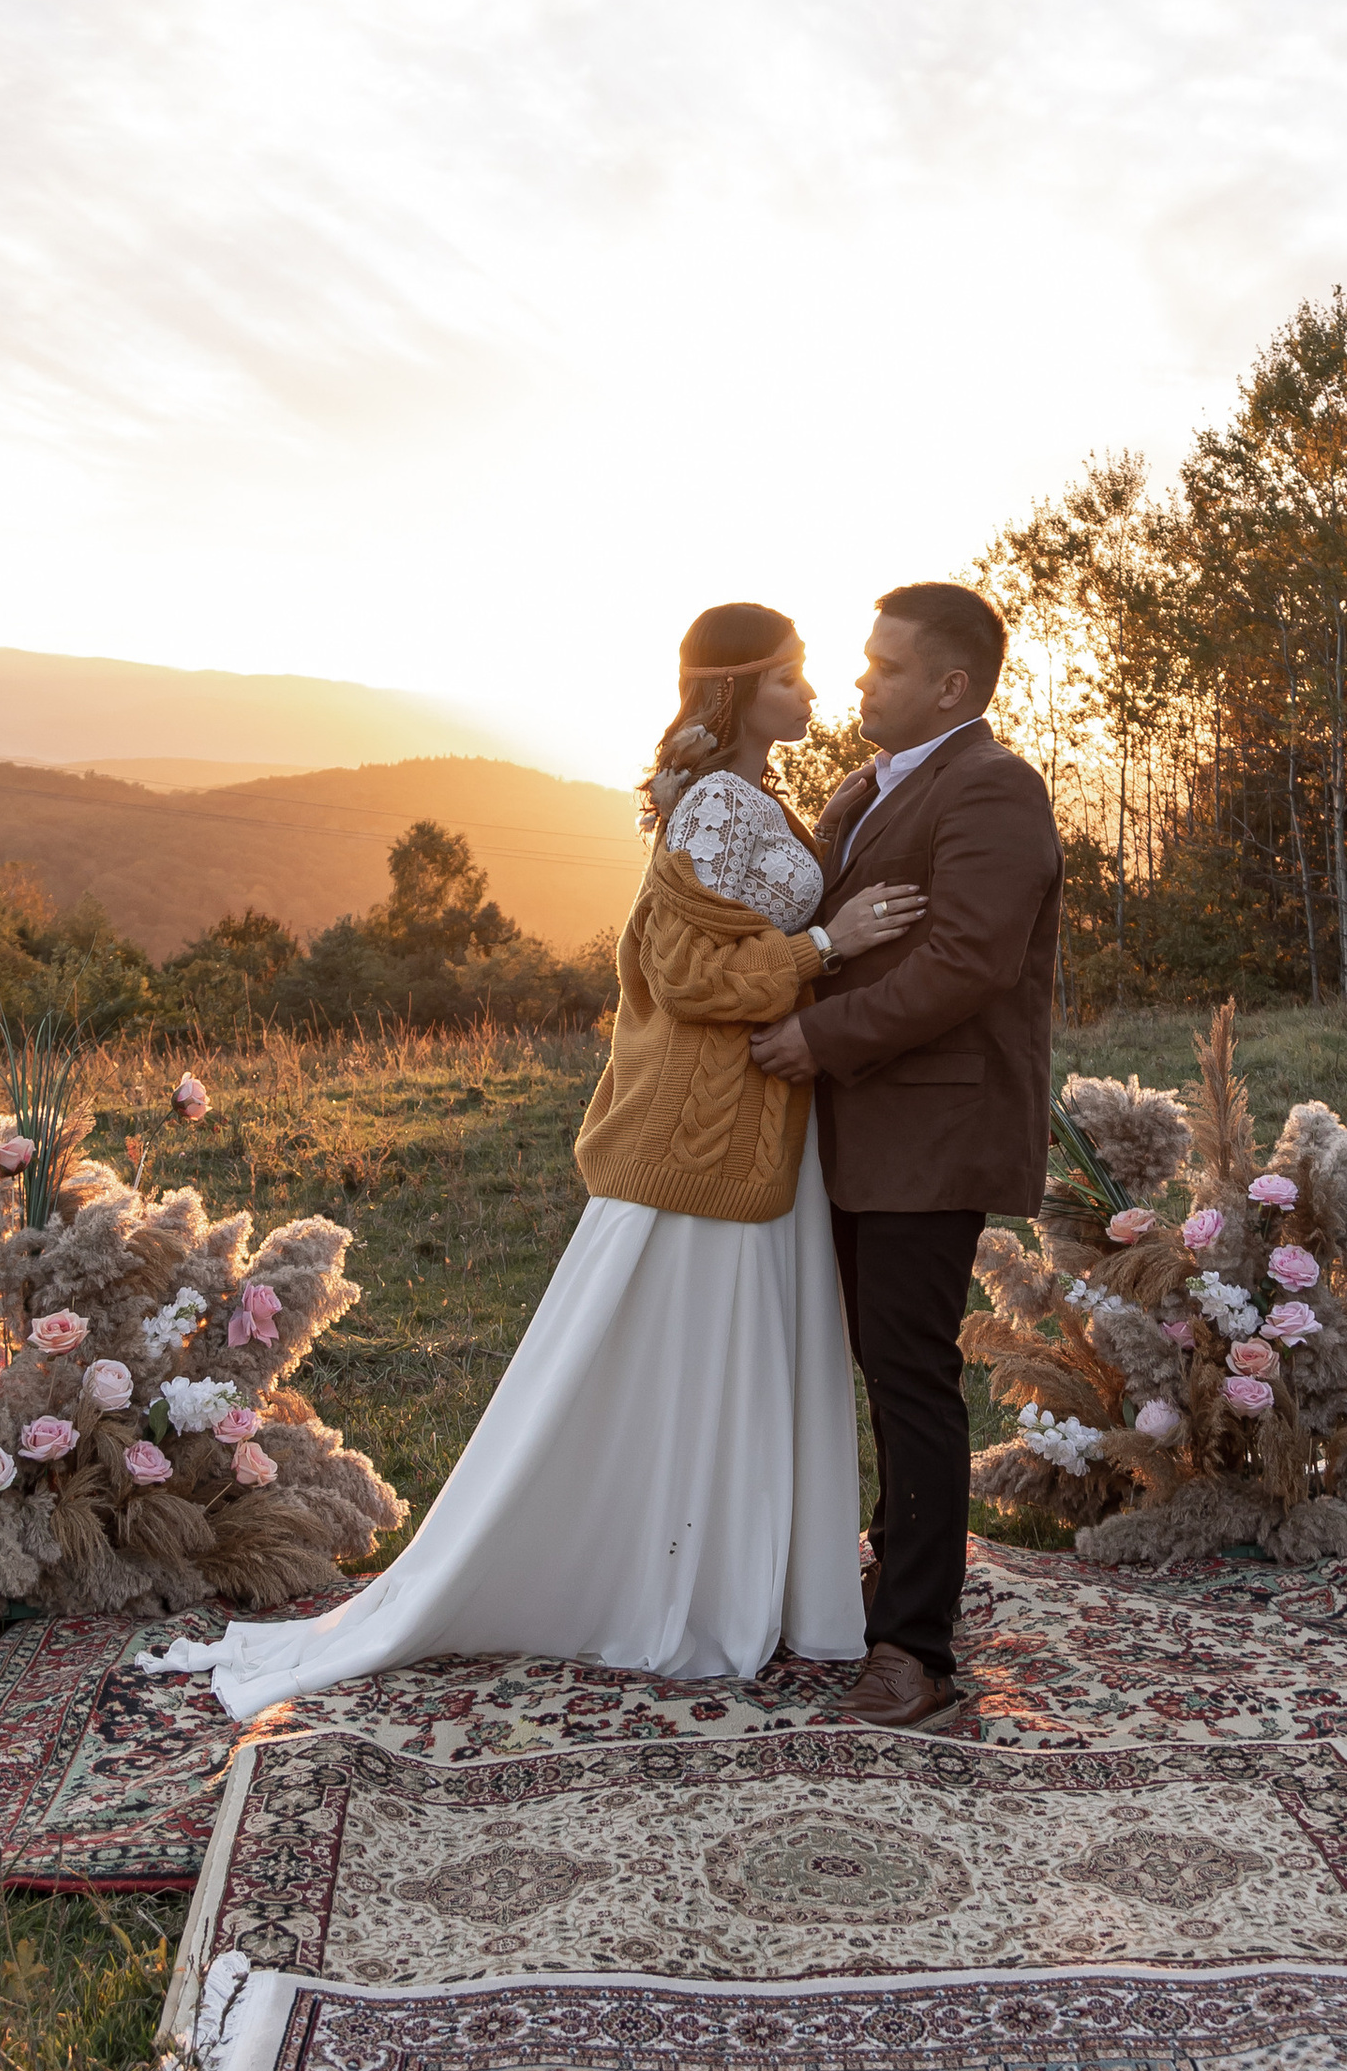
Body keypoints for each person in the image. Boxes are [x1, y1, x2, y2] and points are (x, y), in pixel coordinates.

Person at [141, 602, 925, 1721]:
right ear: (739, 690)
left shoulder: (745, 797)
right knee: (690, 1347)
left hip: (757, 1122)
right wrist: (827, 947)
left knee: (724, 1349)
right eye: (791, 679)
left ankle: (721, 1567)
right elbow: (696, 976)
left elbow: (754, 908)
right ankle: (673, 1583)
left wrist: (837, 829)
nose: (812, 696)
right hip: (702, 1130)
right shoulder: (711, 803)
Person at [750, 582, 1063, 1729]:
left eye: (885, 667)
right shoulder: (860, 788)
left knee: (910, 1376)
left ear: (950, 685)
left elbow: (969, 961)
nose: (860, 681)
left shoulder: (994, 786)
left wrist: (814, 1037)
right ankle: (883, 1563)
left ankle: (915, 1653)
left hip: (927, 1132)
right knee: (861, 1363)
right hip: (845, 1127)